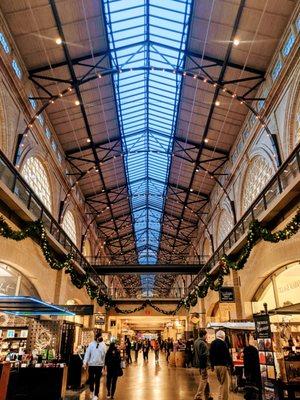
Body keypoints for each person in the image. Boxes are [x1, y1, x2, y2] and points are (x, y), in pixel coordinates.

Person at [209, 330, 233, 400]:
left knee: (221, 383)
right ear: (223, 336)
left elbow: (211, 355)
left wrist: (212, 365)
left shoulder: (212, 343)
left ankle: (220, 397)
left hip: (216, 366)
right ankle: (224, 398)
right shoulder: (223, 343)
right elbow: (227, 355)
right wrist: (231, 365)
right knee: (225, 384)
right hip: (223, 365)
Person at [83, 334, 106, 400]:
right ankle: (91, 390)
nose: (100, 338)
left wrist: (104, 366)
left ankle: (96, 394)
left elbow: (104, 356)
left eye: (101, 337)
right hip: (91, 365)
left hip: (99, 365)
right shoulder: (91, 344)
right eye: (99, 337)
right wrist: (85, 362)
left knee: (97, 380)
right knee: (91, 379)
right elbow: (87, 354)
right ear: (96, 338)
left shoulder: (103, 345)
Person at [193, 330, 213, 400]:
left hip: (199, 364)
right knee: (204, 379)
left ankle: (208, 395)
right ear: (204, 335)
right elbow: (204, 355)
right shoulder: (202, 343)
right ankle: (198, 396)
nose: (207, 336)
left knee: (206, 379)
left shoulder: (196, 342)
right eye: (206, 335)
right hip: (203, 364)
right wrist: (208, 364)